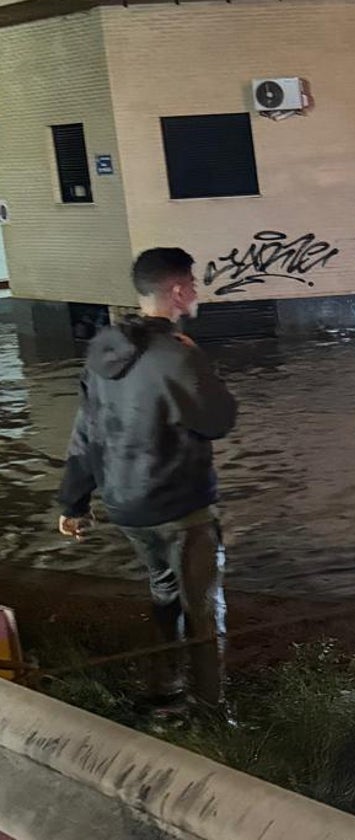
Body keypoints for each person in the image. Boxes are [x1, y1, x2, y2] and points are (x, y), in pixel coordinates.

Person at [56, 247, 238, 717]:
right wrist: (200, 364)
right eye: (193, 285)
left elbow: (86, 431)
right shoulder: (177, 356)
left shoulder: (104, 349)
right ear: (176, 292)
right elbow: (219, 420)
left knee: (163, 592)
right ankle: (210, 709)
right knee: (202, 606)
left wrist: (73, 503)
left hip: (126, 506)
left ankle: (163, 689)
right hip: (180, 506)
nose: (197, 292)